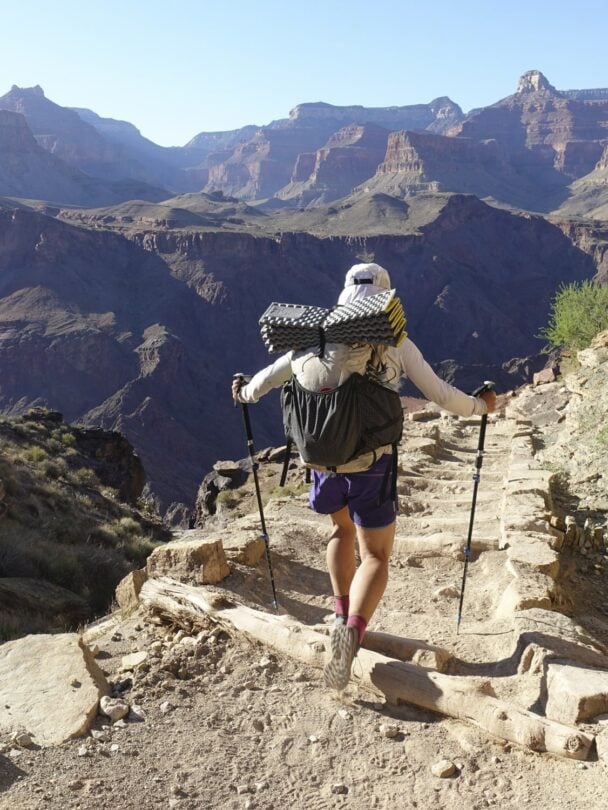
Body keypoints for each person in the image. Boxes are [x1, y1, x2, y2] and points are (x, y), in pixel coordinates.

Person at [232, 262, 496, 690]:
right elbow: (441, 394)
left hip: (321, 462)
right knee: (375, 555)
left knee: (339, 532)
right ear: (385, 298)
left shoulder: (311, 339)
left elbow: (262, 383)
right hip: (370, 462)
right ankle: (352, 630)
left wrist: (242, 390)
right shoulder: (393, 341)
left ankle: (339, 613)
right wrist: (482, 406)